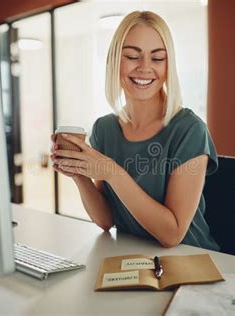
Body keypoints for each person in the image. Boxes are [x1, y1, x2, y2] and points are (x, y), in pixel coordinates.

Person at [50, 11, 219, 251]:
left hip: (190, 259)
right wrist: (80, 173)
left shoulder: (189, 129)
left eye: (158, 58)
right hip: (132, 257)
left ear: (168, 65)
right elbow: (105, 220)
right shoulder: (104, 128)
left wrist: (112, 172)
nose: (145, 68)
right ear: (115, 61)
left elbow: (172, 234)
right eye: (132, 56)